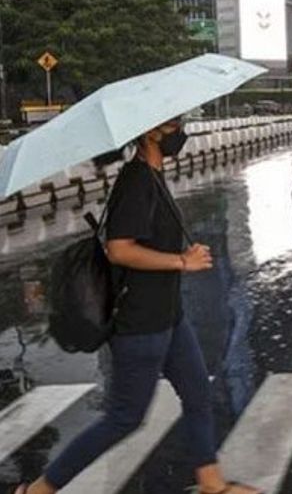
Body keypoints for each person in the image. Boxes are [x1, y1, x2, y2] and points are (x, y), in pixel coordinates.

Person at [14, 119, 260, 494]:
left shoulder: (153, 177)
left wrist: (182, 256)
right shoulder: (136, 181)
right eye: (174, 124)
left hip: (169, 315)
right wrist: (182, 262)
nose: (181, 130)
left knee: (197, 393)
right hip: (141, 323)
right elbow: (119, 249)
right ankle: (38, 491)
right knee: (125, 418)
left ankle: (211, 483)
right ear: (150, 133)